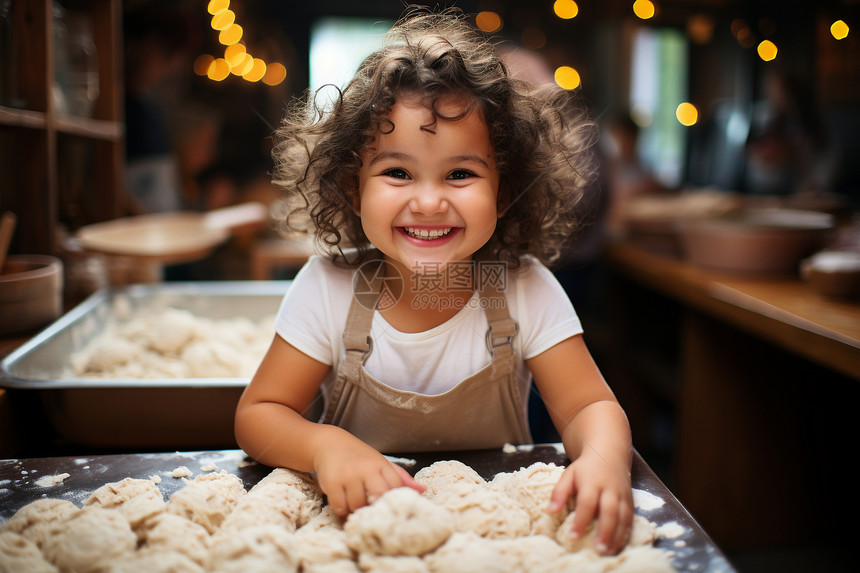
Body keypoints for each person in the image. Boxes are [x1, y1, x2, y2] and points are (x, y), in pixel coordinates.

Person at [234, 9, 634, 555]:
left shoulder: (525, 289)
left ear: (504, 187)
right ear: (353, 188)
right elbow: (260, 415)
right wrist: (326, 448)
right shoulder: (328, 287)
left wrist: (603, 460)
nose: (428, 201)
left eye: (460, 174)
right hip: (357, 535)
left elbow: (591, 409)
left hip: (492, 541)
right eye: (397, 172)